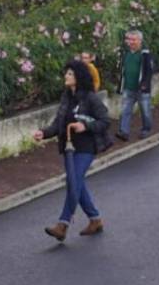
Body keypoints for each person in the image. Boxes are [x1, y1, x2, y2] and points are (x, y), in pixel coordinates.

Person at [32, 59, 109, 240]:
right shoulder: (66, 96)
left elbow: (105, 121)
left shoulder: (91, 98)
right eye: (66, 73)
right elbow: (59, 122)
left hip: (86, 147)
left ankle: (63, 225)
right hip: (68, 147)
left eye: (70, 73)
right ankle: (95, 219)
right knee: (77, 184)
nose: (66, 76)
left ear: (79, 77)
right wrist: (43, 133)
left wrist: (85, 126)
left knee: (73, 182)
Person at [115, 30, 154, 141]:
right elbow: (122, 70)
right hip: (128, 87)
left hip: (142, 89)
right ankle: (124, 131)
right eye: (129, 39)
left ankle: (146, 129)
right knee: (125, 110)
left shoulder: (145, 54)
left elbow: (149, 71)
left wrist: (144, 84)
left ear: (140, 41)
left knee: (145, 111)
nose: (131, 42)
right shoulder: (125, 53)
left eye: (134, 39)